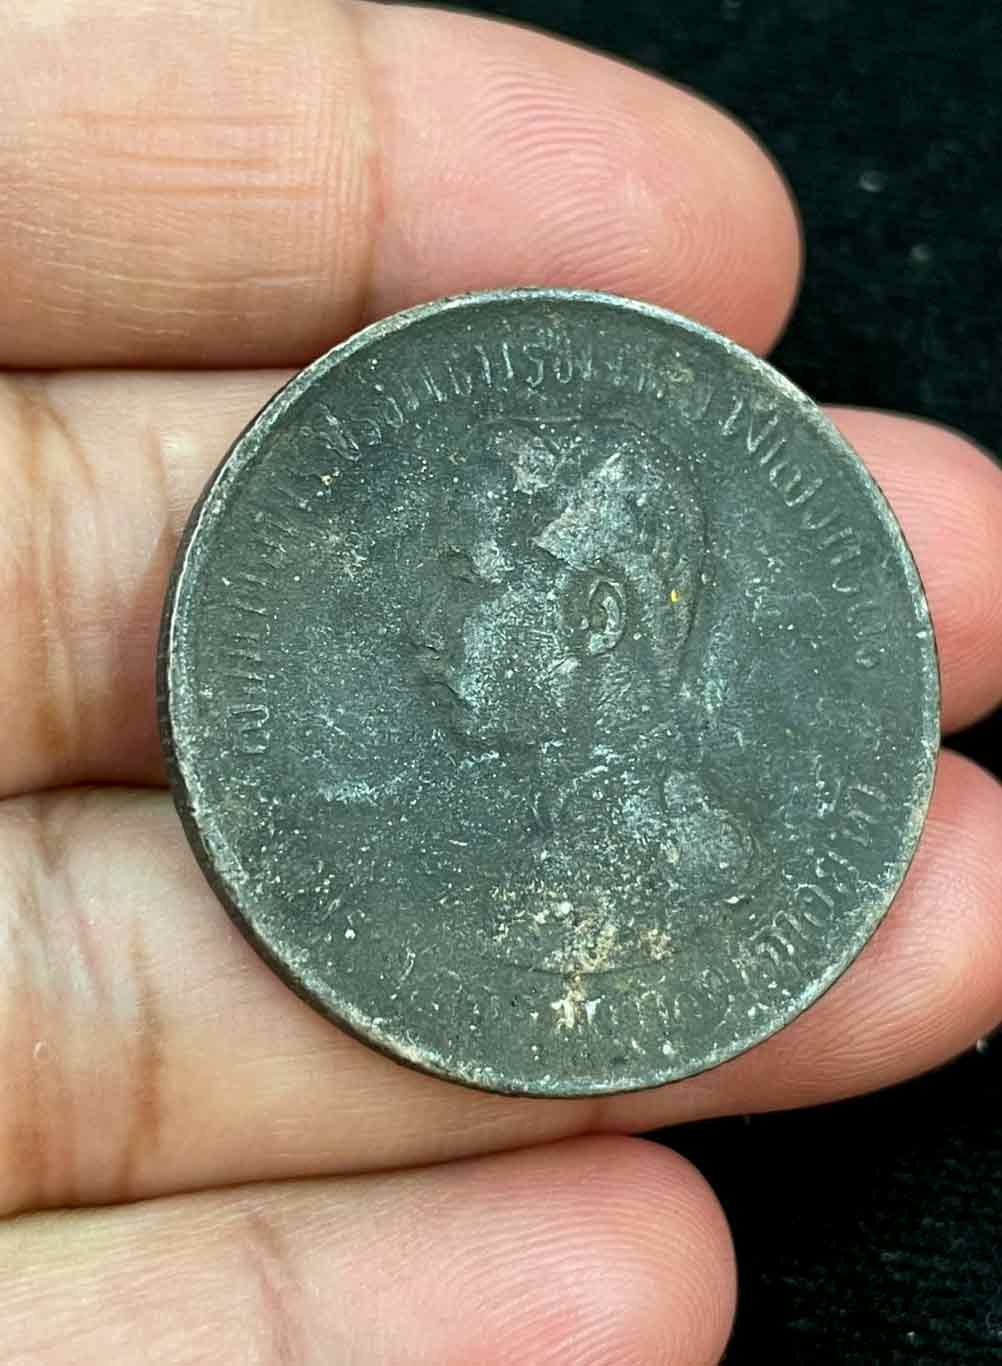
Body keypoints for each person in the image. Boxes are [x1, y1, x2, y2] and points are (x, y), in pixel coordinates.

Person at [1, 2, 1000, 1361]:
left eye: (472, 582)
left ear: (596, 614)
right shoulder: (435, 861)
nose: (427, 624)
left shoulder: (707, 883)